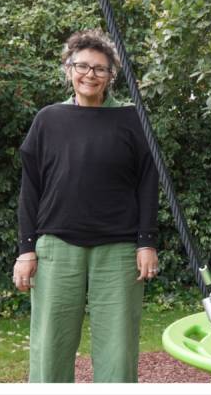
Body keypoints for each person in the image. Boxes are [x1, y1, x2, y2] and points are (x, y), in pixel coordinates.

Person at [12, 29, 160, 382]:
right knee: (50, 347)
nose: (90, 74)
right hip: (56, 247)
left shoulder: (132, 119)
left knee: (118, 350)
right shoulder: (48, 119)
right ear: (69, 69)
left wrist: (147, 242)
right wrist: (26, 249)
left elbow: (148, 184)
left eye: (100, 68)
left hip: (119, 249)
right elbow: (30, 188)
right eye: (82, 66)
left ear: (111, 76)